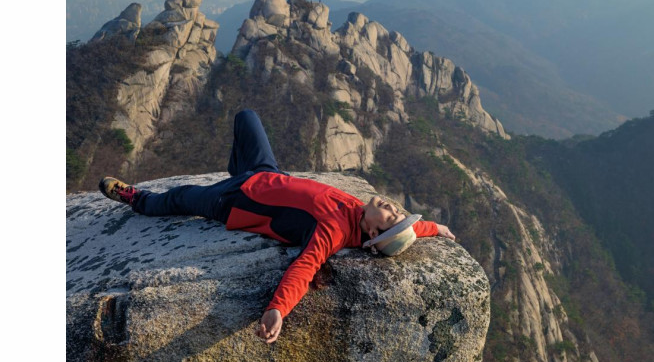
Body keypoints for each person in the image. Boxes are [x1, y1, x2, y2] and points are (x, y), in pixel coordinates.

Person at [99, 109, 455, 344]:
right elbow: (406, 234)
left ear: (374, 235)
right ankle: (240, 169)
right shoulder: (363, 213)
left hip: (235, 201)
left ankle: (137, 199)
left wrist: (277, 309)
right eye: (397, 210)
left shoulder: (333, 230)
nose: (392, 207)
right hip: (266, 174)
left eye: (391, 217)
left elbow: (304, 268)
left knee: (179, 197)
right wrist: (434, 228)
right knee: (246, 117)